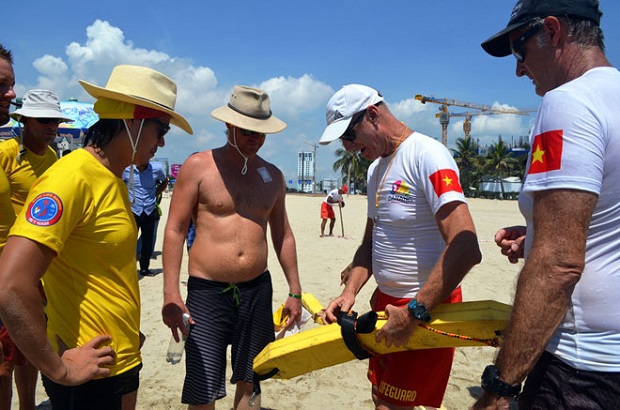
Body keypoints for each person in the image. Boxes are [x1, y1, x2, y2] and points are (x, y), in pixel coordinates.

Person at [0, 64, 193, 409]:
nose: (162, 141)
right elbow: (10, 284)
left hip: (119, 359)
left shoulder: (114, 179)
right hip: (88, 372)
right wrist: (58, 368)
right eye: (160, 129)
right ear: (132, 123)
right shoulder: (72, 177)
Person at [473, 1, 620, 409]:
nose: (519, 68)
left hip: (582, 367)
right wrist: (538, 232)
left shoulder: (569, 102)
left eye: (520, 50)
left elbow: (559, 264)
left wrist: (499, 388)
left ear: (553, 32)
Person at [318, 84, 481, 409]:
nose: (347, 148)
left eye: (348, 137)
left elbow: (466, 246)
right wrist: (350, 293)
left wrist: (415, 312)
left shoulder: (428, 155)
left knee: (391, 405)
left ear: (373, 115)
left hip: (422, 309)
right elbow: (370, 245)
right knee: (380, 396)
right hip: (386, 308)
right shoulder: (377, 168)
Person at [162, 85, 302, 409]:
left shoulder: (273, 176)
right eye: (247, 131)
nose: (254, 139)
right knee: (202, 384)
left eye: (260, 133)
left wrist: (295, 291)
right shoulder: (198, 166)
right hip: (207, 291)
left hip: (256, 290)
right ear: (228, 125)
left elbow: (283, 235)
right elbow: (175, 229)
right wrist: (171, 291)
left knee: (251, 379)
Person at [0, 88, 73, 410]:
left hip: (41, 266)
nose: (50, 127)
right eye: (43, 120)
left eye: (54, 121)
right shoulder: (6, 153)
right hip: (6, 260)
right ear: (25, 120)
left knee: (30, 344)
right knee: (4, 357)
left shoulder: (54, 159)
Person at [122, 159, 169, 276]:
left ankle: (144, 268)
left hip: (149, 209)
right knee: (129, 241)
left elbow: (165, 181)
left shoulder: (156, 169)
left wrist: (155, 193)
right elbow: (119, 182)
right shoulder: (127, 170)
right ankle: (128, 268)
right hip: (133, 209)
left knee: (147, 242)